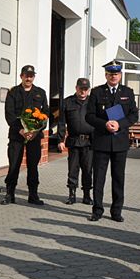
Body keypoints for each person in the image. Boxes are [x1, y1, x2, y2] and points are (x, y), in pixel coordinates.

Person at [85, 60, 139, 222]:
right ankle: (97, 210)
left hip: (120, 142)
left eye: (116, 74)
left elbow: (133, 116)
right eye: (110, 74)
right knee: (99, 178)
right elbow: (89, 116)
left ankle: (116, 211)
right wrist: (104, 124)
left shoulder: (128, 92)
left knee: (118, 178)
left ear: (120, 75)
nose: (113, 76)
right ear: (106, 75)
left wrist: (119, 124)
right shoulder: (97, 92)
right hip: (101, 140)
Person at [0, 65, 48, 205]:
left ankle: (33, 195)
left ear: (34, 77)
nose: (28, 78)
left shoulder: (40, 93)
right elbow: (9, 114)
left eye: (31, 75)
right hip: (17, 135)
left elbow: (45, 113)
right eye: (26, 75)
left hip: (34, 137)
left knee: (33, 166)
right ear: (21, 76)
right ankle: (10, 194)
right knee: (14, 164)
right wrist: (21, 130)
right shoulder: (13, 92)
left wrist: (36, 130)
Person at [57, 77, 94, 205]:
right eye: (80, 88)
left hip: (89, 142)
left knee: (88, 169)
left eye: (85, 89)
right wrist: (60, 139)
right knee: (73, 169)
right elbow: (62, 122)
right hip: (73, 141)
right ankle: (71, 195)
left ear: (88, 90)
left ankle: (87, 195)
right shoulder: (68, 102)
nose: (83, 91)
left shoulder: (93, 102)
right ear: (76, 88)